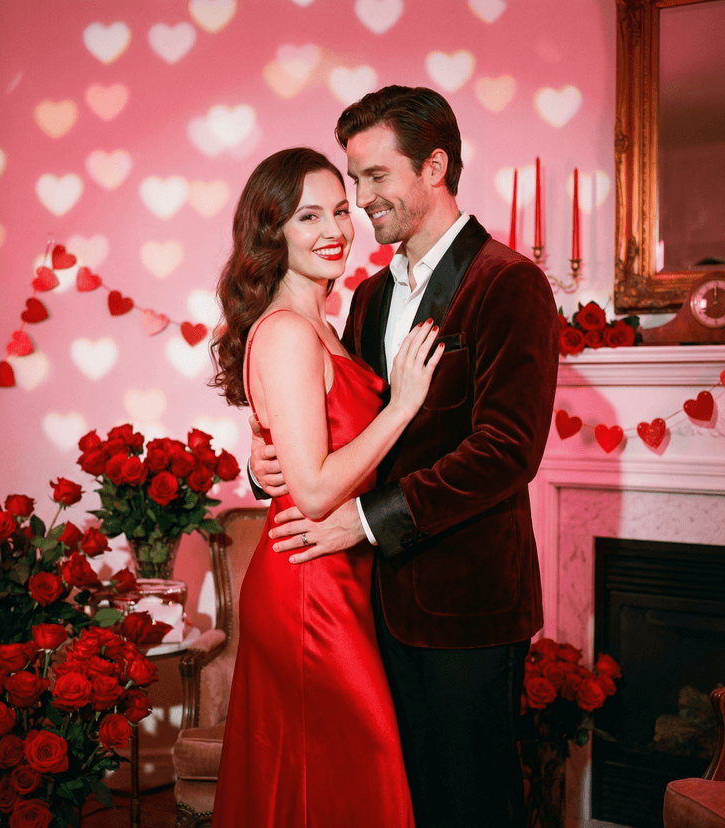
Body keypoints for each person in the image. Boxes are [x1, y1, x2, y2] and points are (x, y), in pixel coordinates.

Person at [250, 86, 560, 827]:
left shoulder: (508, 283)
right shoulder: (367, 299)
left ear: (435, 167)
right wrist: (266, 468)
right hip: (368, 604)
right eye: (353, 181)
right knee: (398, 805)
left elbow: (505, 451)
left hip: (464, 605)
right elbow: (345, 428)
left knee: (472, 803)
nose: (360, 200)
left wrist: (366, 521)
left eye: (375, 177)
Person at [208, 146, 444, 828]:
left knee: (325, 783)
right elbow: (311, 492)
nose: (334, 228)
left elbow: (311, 451)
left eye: (341, 210)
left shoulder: (330, 328)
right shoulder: (286, 333)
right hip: (309, 582)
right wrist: (402, 404)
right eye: (308, 215)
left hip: (343, 574)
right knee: (359, 769)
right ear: (271, 230)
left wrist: (263, 463)